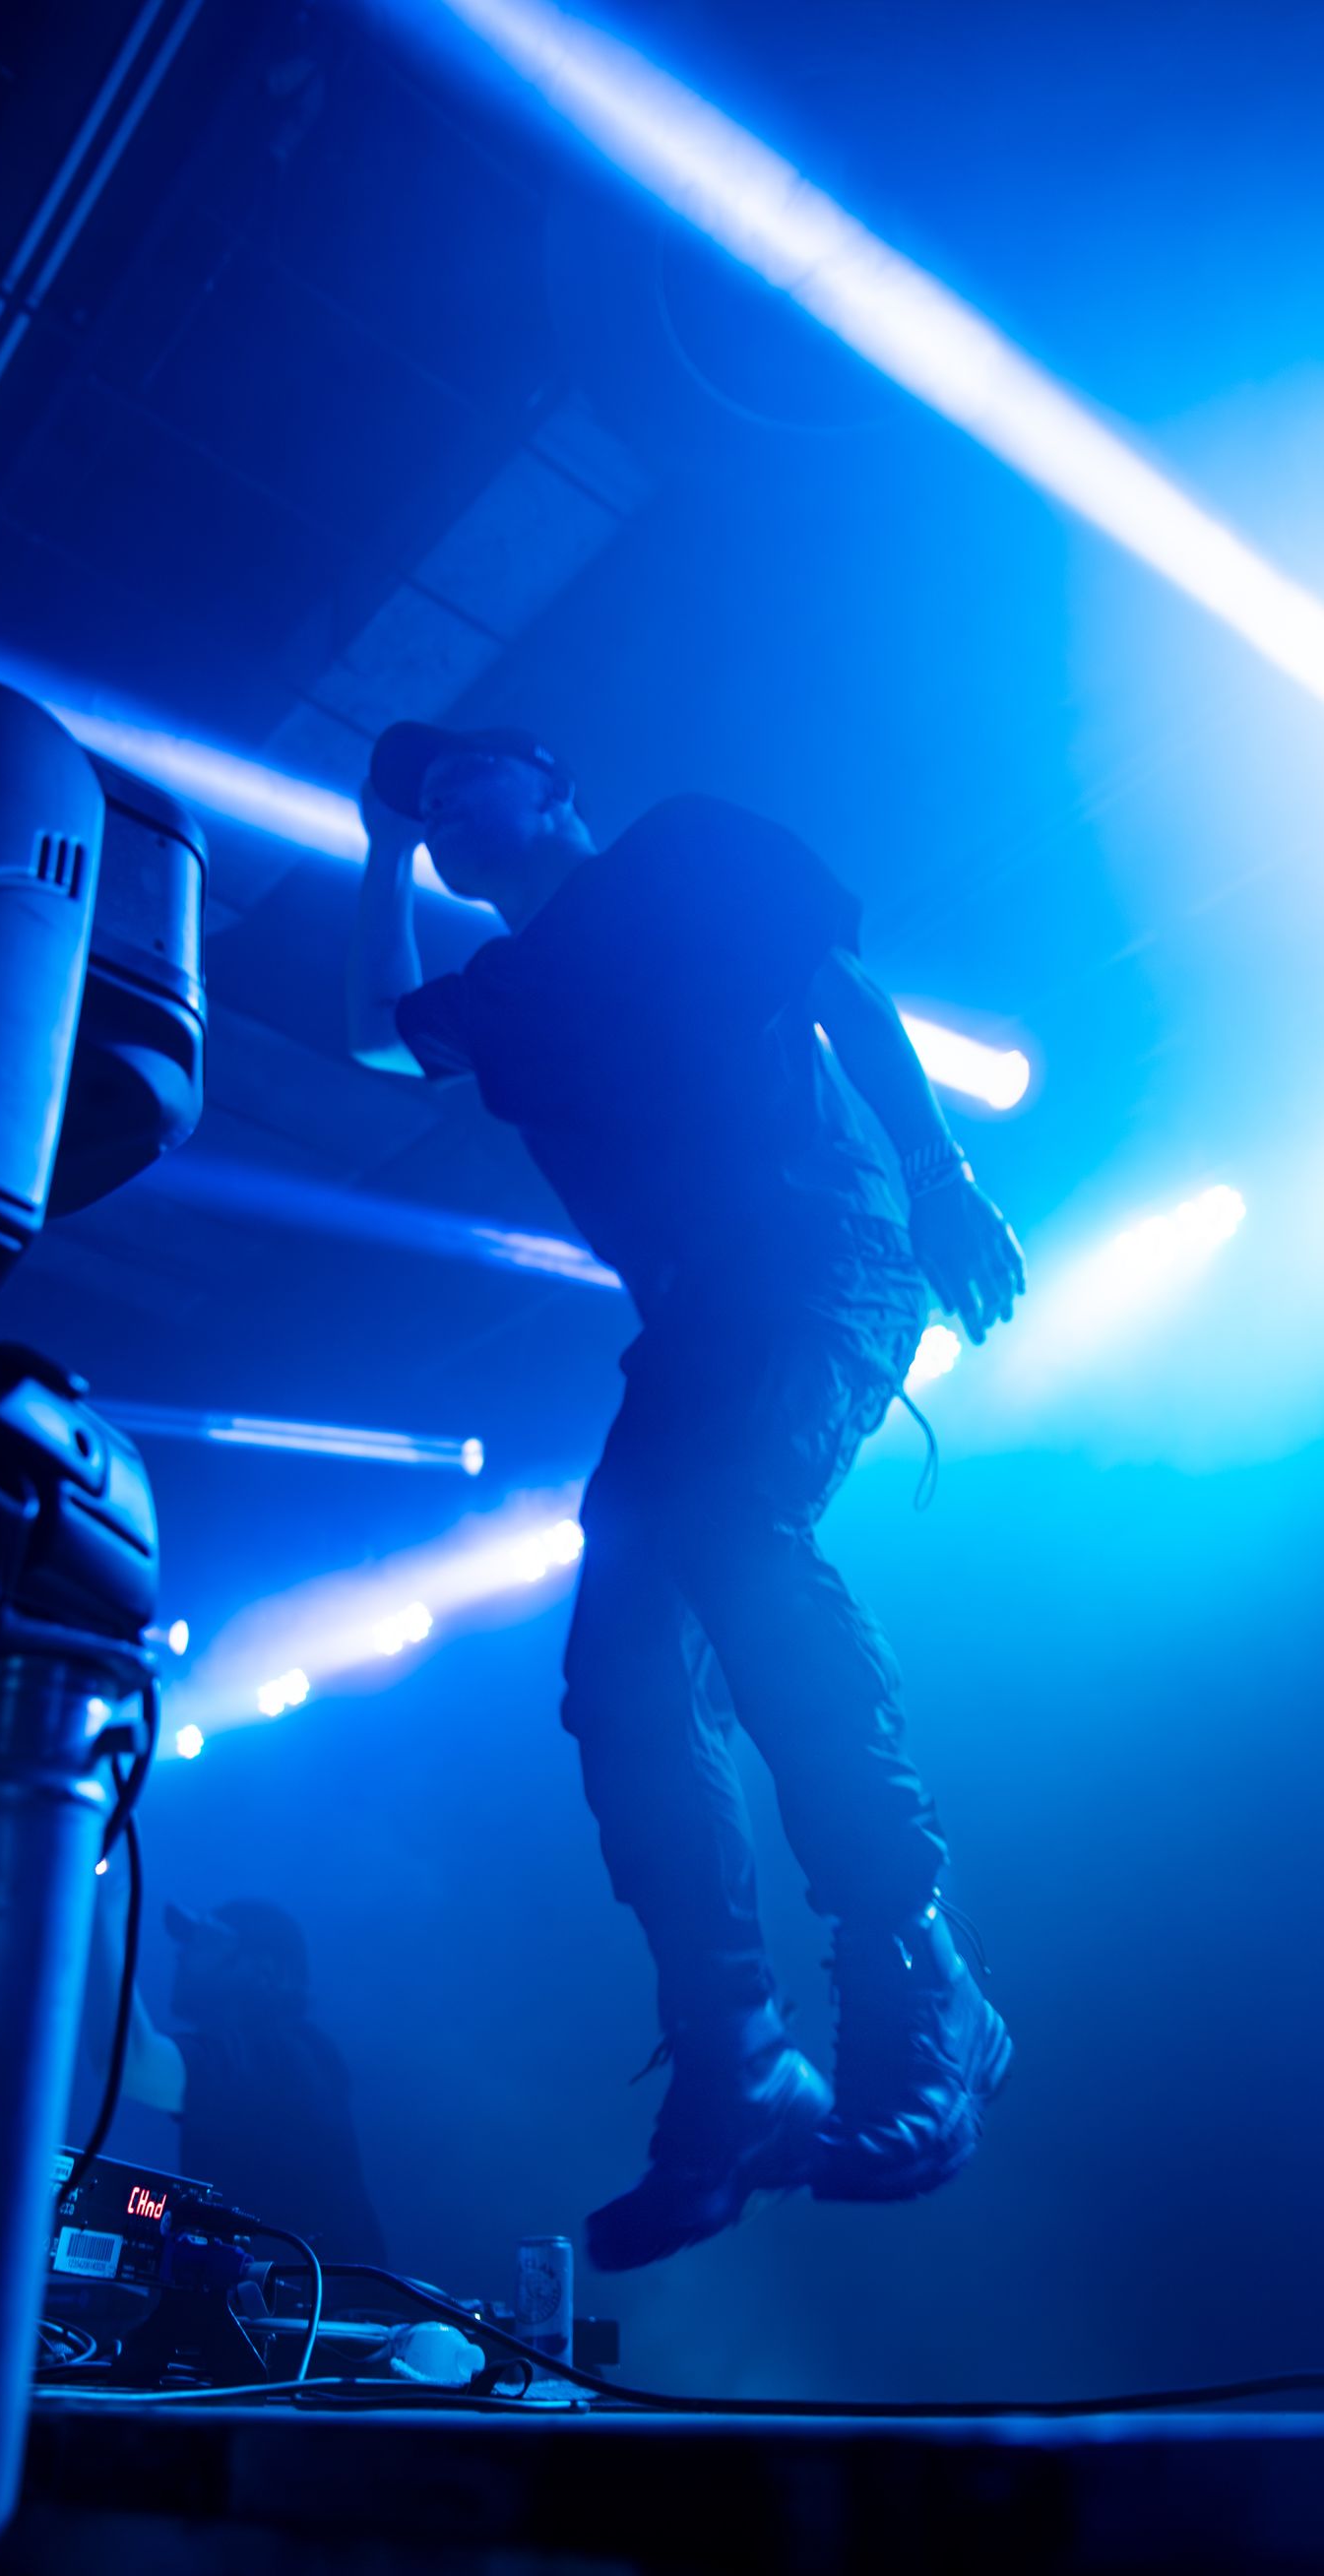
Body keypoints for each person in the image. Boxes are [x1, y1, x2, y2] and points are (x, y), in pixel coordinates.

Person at [347, 724, 1026, 2273]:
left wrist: (938, 1175)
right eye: (431, 809)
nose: (451, 811)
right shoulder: (503, 995)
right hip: (696, 1325)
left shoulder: (678, 852)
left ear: (556, 778)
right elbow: (381, 1038)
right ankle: (739, 2060)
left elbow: (838, 990)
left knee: (733, 1536)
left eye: (471, 783)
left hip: (823, 1263)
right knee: (618, 1677)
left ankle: (922, 1972)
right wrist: (380, 848)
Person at [81, 1879, 388, 2266]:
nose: (182, 1950)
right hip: (295, 2313)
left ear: (265, 1967)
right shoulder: (282, 2054)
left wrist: (99, 1919)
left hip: (316, 2319)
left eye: (205, 1936)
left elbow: (131, 2061)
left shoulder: (279, 2058)